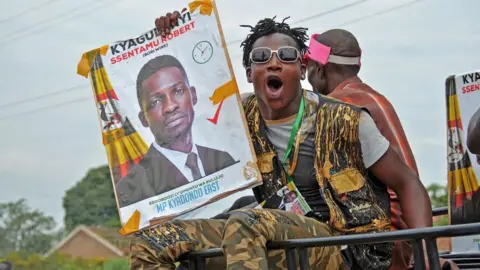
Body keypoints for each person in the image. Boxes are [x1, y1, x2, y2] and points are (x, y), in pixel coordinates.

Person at [129, 13, 433, 270]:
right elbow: (190, 90)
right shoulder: (235, 117)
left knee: (246, 222)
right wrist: (172, 38)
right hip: (274, 232)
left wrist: (425, 260)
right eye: (261, 57)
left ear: (302, 69)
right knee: (152, 242)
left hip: (344, 246)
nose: (274, 63)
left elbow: (408, 184)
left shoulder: (347, 120)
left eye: (286, 56)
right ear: (249, 73)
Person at [305, 29, 458, 270]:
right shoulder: (373, 97)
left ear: (320, 68)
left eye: (309, 70)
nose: (308, 80)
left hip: (380, 240)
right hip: (403, 233)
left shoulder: (339, 109)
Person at [115, 54, 236, 208]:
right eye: (156, 101)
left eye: (178, 91)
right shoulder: (132, 188)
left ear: (193, 95)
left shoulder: (223, 160)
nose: (170, 107)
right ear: (143, 119)